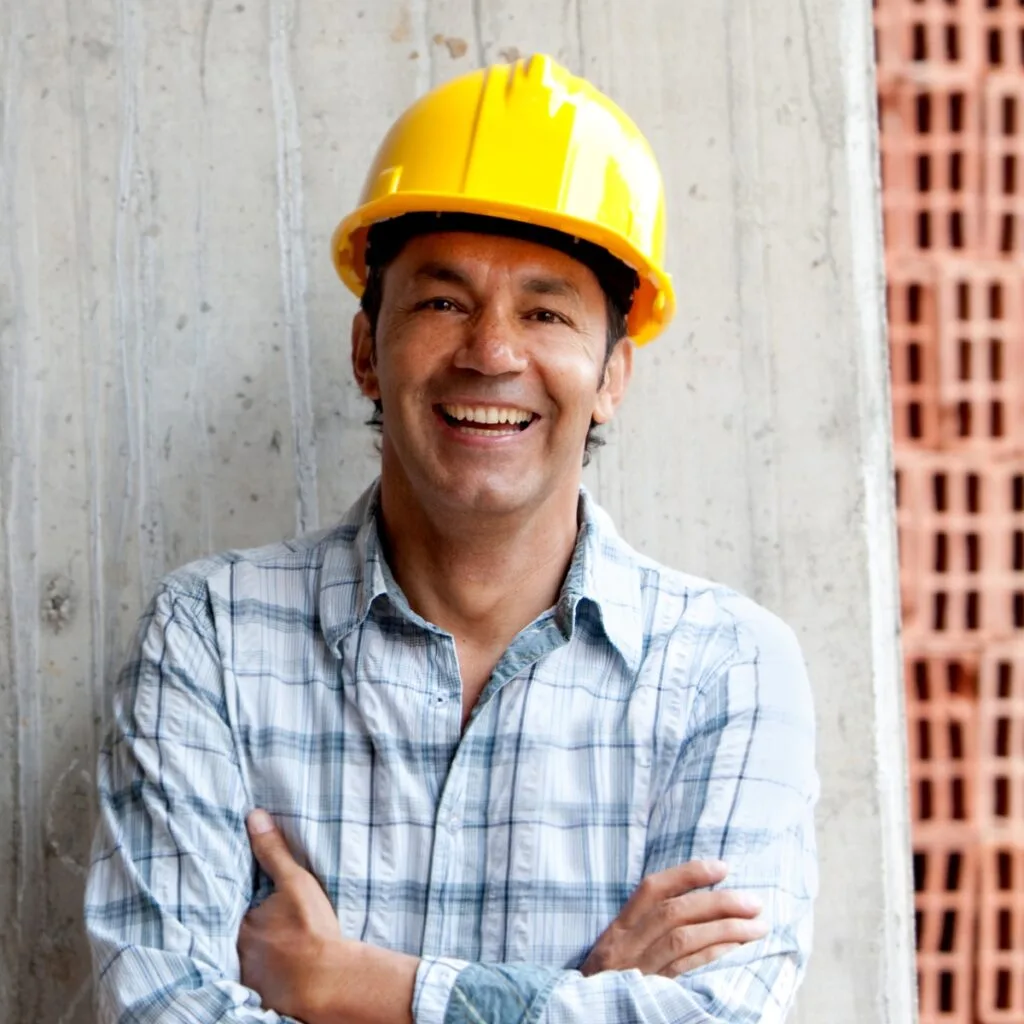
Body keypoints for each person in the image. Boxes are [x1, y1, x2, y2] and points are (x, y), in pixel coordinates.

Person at [85, 54, 818, 1024]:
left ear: (611, 374)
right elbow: (160, 1010)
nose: (492, 352)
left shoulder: (727, 669)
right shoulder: (212, 636)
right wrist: (588, 1000)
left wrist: (360, 986)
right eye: (442, 301)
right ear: (365, 350)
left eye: (546, 309)